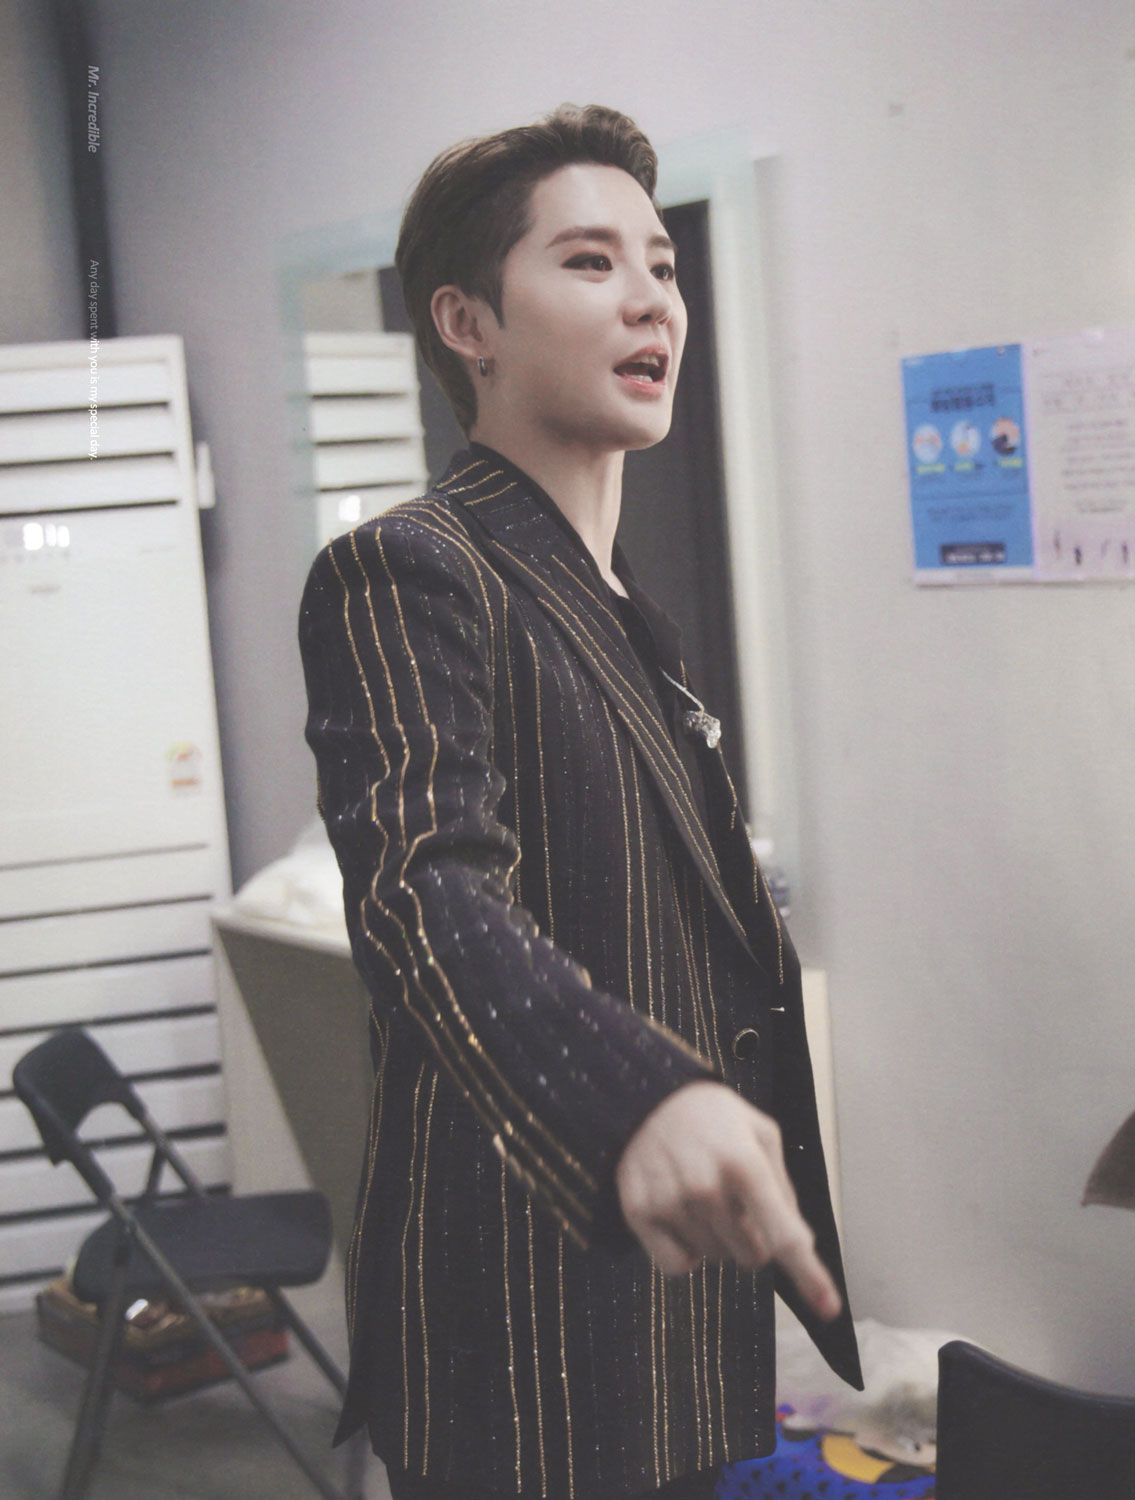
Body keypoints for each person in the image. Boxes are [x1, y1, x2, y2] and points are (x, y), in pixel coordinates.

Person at [298, 102, 862, 1500]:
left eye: (662, 265)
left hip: (668, 1307)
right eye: (592, 261)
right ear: (467, 323)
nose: (652, 298)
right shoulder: (414, 567)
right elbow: (422, 887)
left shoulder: (619, 610)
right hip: (525, 1327)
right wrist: (637, 1097)